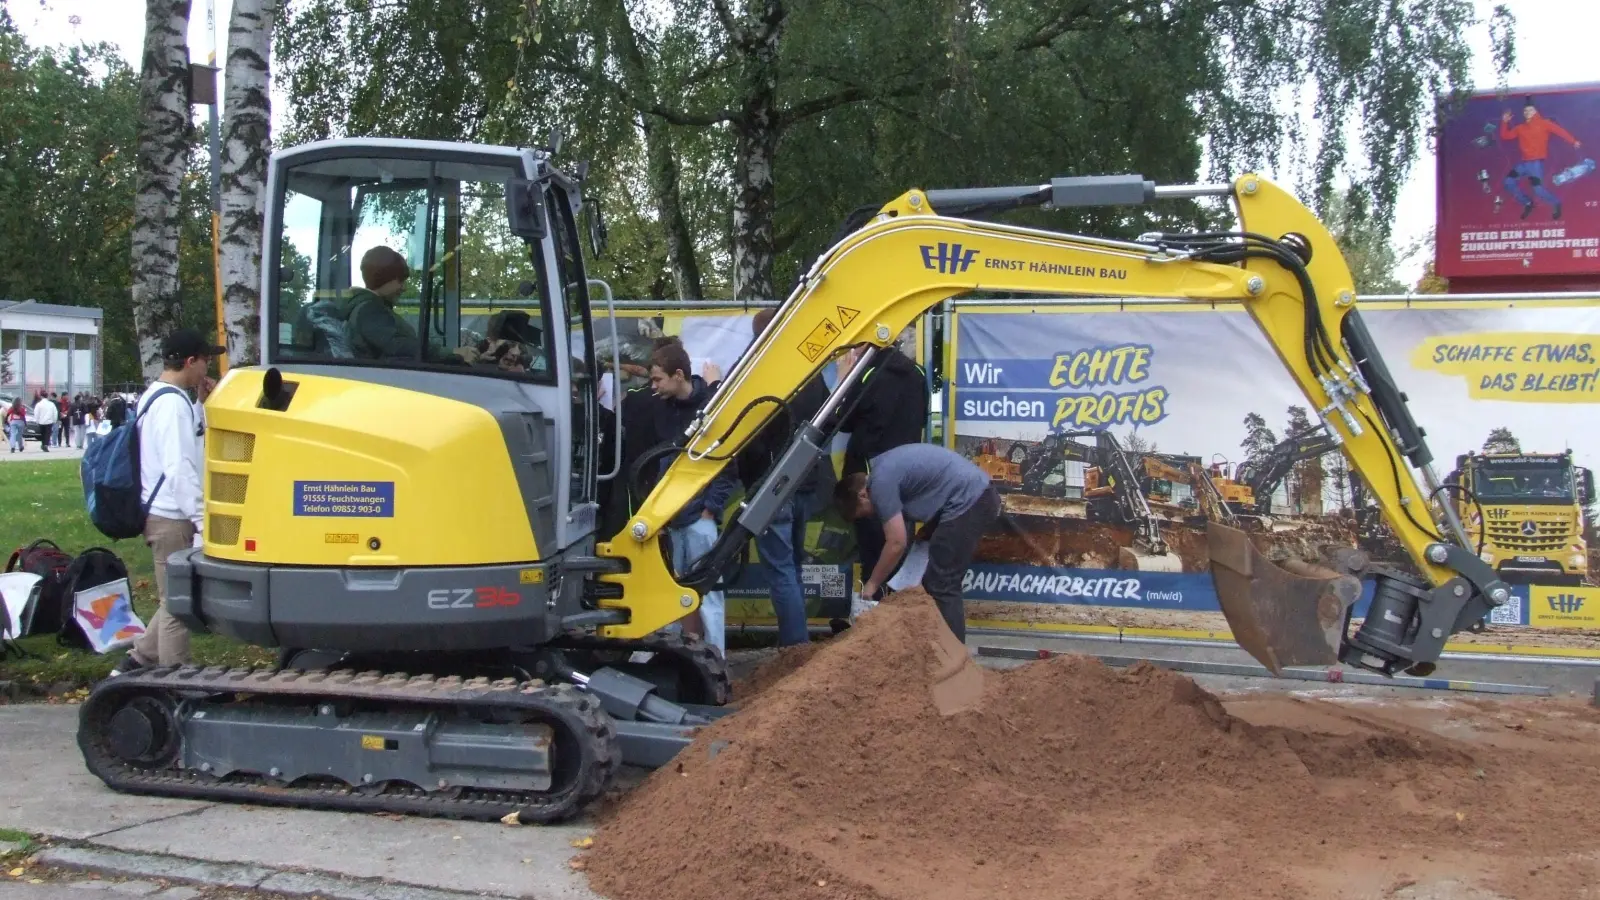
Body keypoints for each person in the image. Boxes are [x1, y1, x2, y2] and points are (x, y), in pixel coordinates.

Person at [114, 328, 223, 673]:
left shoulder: (157, 397)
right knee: (178, 603)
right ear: (190, 362)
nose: (208, 369)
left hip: (158, 511)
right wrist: (202, 519)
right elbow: (179, 468)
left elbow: (183, 445)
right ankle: (177, 677)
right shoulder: (173, 405)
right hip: (171, 517)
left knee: (172, 599)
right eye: (206, 361)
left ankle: (137, 659)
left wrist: (202, 408)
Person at [834, 443, 1000, 642]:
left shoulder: (879, 484)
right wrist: (929, 531)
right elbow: (935, 485)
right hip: (971, 497)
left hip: (971, 500)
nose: (873, 515)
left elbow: (896, 543)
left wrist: (872, 584)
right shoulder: (884, 469)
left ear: (862, 495)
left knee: (942, 583)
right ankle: (934, 646)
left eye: (866, 513)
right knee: (932, 578)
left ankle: (955, 658)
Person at [736, 309, 834, 646]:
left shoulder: (758, 374)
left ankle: (796, 646)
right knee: (791, 566)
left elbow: (746, 436)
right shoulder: (811, 372)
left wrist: (750, 480)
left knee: (781, 570)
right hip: (806, 481)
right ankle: (798, 639)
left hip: (772, 484)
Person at [642, 337, 737, 657]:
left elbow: (726, 464)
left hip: (698, 520)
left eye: (657, 379)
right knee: (679, 595)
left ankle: (718, 662)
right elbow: (666, 462)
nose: (653, 386)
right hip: (675, 518)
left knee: (708, 597)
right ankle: (689, 661)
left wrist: (710, 510)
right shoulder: (662, 409)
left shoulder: (710, 406)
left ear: (679, 375)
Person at [836, 340, 928, 587]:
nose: (851, 354)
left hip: (867, 479)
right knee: (898, 555)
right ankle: (896, 615)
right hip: (907, 479)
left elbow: (840, 421)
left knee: (873, 555)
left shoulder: (866, 374)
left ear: (866, 347)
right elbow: (923, 418)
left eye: (854, 348)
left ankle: (874, 612)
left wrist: (844, 381)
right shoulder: (917, 372)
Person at [1501, 97, 1582, 221]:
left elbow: (1560, 131)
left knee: (1538, 190)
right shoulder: (1520, 128)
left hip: (1535, 164)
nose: (1527, 113)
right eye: (1525, 111)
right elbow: (1505, 136)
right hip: (1524, 164)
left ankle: (1556, 203)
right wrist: (1504, 122)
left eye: (1530, 110)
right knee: (1508, 181)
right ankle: (1527, 203)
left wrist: (1573, 141)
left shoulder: (1545, 124)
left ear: (1535, 111)